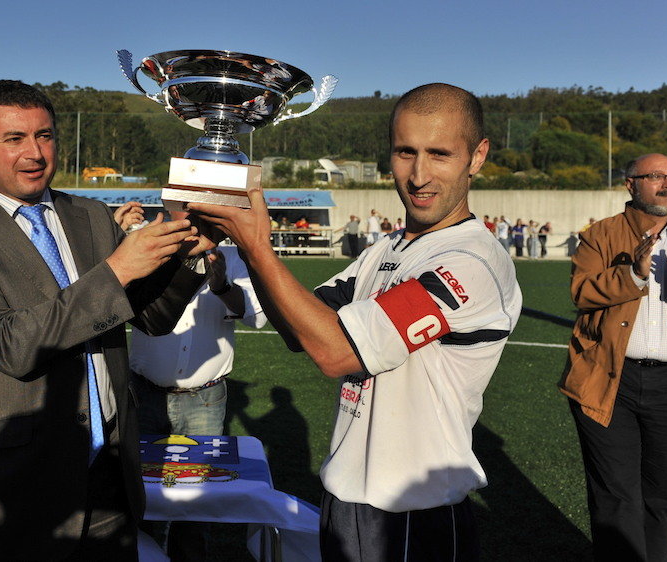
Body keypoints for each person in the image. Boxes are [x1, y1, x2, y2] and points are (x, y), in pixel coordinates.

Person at [190, 83, 522, 561]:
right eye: (406, 152)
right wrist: (243, 238)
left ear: (477, 156)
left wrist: (259, 246)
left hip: (411, 511)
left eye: (440, 153)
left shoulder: (472, 261)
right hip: (344, 496)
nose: (419, 174)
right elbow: (297, 329)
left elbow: (336, 352)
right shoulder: (384, 251)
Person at [0, 80, 216, 561]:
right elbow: (9, 345)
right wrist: (118, 271)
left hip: (110, 481)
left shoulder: (92, 217)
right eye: (14, 139)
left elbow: (153, 317)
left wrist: (188, 258)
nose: (34, 152)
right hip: (12, 493)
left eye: (45, 135)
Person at [559, 153, 667, 562]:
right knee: (615, 498)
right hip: (609, 380)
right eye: (656, 176)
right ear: (631, 185)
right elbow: (581, 292)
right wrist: (634, 275)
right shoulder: (601, 235)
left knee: (662, 499)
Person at [130, 233, 266, 562]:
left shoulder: (233, 257)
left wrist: (220, 285)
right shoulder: (149, 247)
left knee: (196, 500)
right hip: (146, 394)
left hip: (205, 398)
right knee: (139, 493)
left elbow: (256, 316)